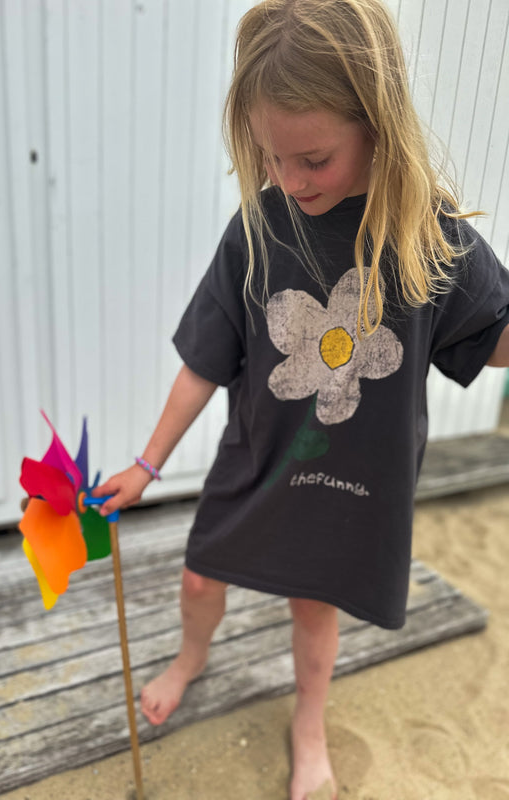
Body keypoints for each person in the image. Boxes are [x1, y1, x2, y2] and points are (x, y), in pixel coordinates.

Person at [94, 1, 509, 798]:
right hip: (256, 458)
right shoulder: (257, 228)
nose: (289, 180)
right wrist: (147, 465)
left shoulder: (426, 233)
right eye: (271, 156)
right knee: (196, 578)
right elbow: (202, 361)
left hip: (352, 479)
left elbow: (491, 340)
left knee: (313, 610)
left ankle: (309, 722)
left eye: (313, 158)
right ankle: (190, 657)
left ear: (376, 124)